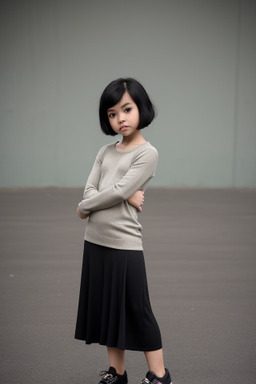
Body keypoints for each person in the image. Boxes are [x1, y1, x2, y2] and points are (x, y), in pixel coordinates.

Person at [75, 78, 172, 384]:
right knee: (106, 309)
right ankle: (117, 372)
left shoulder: (147, 153)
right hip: (95, 241)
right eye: (112, 114)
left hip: (125, 244)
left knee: (137, 309)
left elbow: (112, 192)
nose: (121, 118)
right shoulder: (105, 151)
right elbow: (94, 188)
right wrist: (121, 193)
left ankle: (159, 375)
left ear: (141, 108)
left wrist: (86, 207)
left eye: (127, 109)